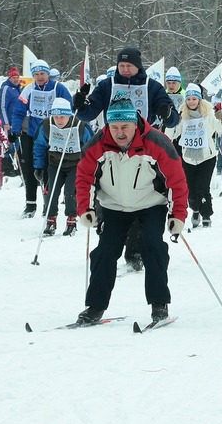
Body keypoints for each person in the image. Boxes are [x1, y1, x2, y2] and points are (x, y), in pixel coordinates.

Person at [74, 98, 189, 326]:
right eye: (114, 127)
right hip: (114, 206)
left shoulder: (157, 142)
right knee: (105, 252)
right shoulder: (98, 144)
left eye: (124, 127)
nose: (119, 133)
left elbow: (177, 181)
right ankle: (95, 307)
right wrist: (85, 208)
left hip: (150, 205)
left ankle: (159, 305)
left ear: (135, 123)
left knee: (152, 247)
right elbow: (84, 177)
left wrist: (178, 214)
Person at [11, 59, 72, 217]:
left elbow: (70, 108)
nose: (39, 77)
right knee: (30, 169)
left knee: (48, 170)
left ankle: (48, 205)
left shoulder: (59, 88)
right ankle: (30, 205)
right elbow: (19, 111)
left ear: (48, 74)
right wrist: (15, 130)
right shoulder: (28, 90)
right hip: (32, 134)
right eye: (36, 74)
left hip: (54, 135)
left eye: (42, 74)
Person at [166, 83, 222, 228]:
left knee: (203, 187)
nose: (191, 102)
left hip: (207, 157)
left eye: (194, 99)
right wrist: (171, 123)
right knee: (191, 190)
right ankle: (195, 210)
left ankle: (206, 215)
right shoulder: (182, 113)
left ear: (199, 100)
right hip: (188, 158)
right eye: (189, 99)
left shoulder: (209, 113)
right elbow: (171, 133)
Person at [33, 97, 94, 236]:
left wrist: (91, 167)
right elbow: (39, 146)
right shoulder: (46, 125)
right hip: (55, 164)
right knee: (51, 191)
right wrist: (38, 166)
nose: (59, 120)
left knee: (70, 192)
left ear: (69, 115)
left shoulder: (80, 126)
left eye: (63, 117)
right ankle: (51, 220)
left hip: (75, 165)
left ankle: (71, 220)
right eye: (56, 117)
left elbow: (92, 147)